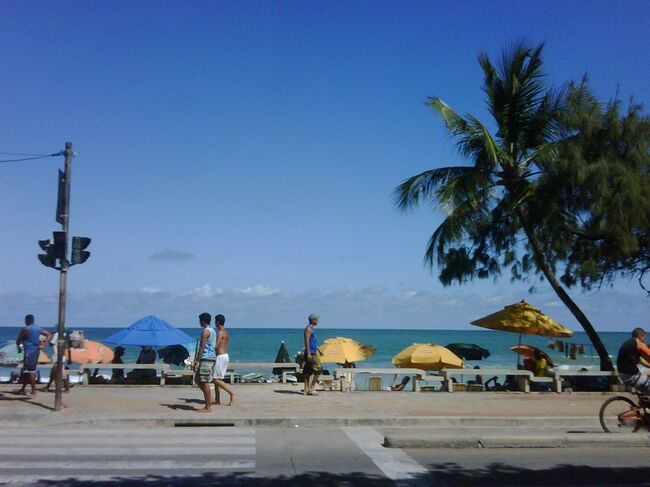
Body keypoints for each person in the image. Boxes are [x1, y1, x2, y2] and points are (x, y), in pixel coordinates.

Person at [16, 315, 51, 395]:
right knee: (26, 371)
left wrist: (18, 345)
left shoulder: (26, 329)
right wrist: (44, 344)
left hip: (29, 352)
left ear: (26, 320)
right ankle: (23, 388)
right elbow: (49, 334)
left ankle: (33, 390)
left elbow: (19, 339)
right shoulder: (38, 328)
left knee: (31, 371)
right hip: (35, 351)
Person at [193, 312, 217, 412]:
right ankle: (209, 399)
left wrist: (197, 361)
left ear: (203, 321)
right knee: (197, 379)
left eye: (200, 321)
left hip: (206, 358)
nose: (199, 323)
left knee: (203, 381)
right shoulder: (213, 330)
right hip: (210, 357)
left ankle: (208, 407)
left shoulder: (205, 331)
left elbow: (202, 347)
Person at [616, 327, 650, 395]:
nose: (644, 340)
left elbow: (640, 360)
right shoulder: (638, 343)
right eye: (644, 337)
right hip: (631, 376)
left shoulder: (630, 344)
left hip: (623, 375)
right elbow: (649, 353)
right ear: (640, 336)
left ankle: (643, 401)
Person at [212, 314, 235, 406]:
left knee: (214, 379)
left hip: (221, 357)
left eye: (215, 321)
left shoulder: (220, 333)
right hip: (225, 356)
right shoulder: (226, 332)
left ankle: (231, 392)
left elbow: (216, 346)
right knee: (217, 379)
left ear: (218, 322)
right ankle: (217, 400)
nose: (214, 323)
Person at [303, 313, 322, 396]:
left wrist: (319, 350)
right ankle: (311, 387)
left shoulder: (312, 329)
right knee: (319, 369)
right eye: (317, 319)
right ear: (313, 320)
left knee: (307, 371)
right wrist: (309, 354)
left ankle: (306, 389)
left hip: (312, 351)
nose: (318, 321)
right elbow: (306, 341)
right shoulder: (309, 329)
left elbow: (313, 342)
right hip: (310, 353)